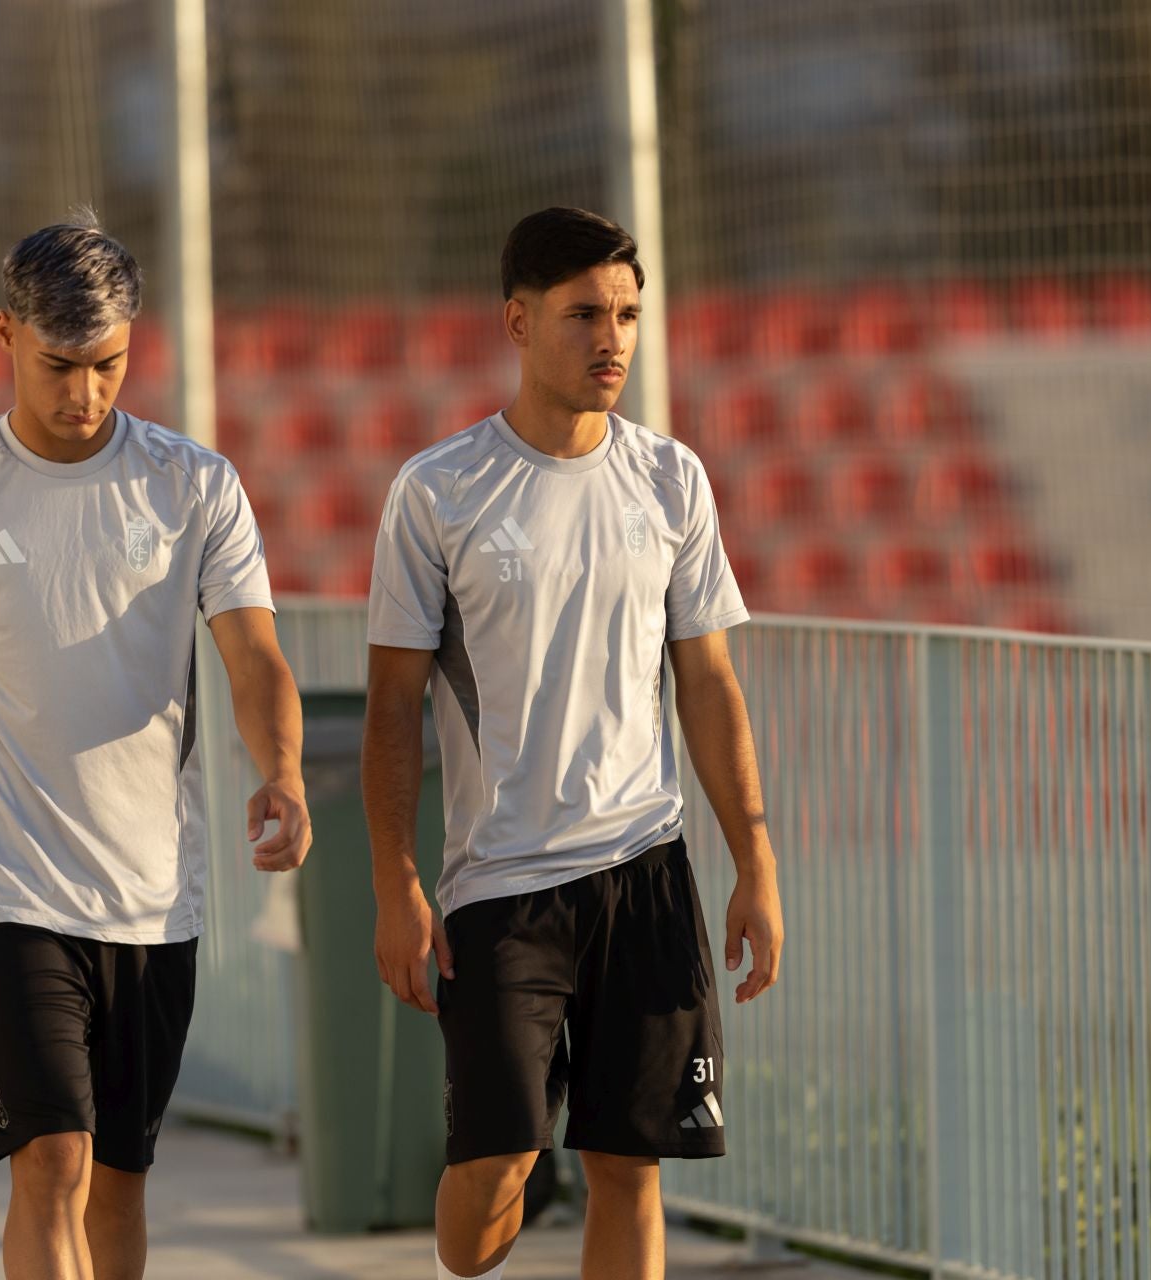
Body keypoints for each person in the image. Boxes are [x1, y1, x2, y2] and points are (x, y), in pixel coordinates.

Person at [0, 212, 311, 1280]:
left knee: (119, 1175)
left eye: (108, 365)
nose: (85, 394)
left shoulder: (195, 485)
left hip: (156, 893)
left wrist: (282, 768)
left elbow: (253, 657)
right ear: (5, 336)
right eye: (61, 365)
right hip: (4, 889)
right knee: (51, 1155)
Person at [362, 206, 785, 1280]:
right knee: (490, 1188)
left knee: (631, 1166)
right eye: (585, 313)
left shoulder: (671, 480)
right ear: (518, 319)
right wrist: (394, 881)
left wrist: (755, 859)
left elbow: (709, 681)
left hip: (647, 865)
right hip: (501, 886)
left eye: (630, 313)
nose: (614, 338)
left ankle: (557, 1144)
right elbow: (390, 707)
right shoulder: (439, 491)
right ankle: (513, 1158)